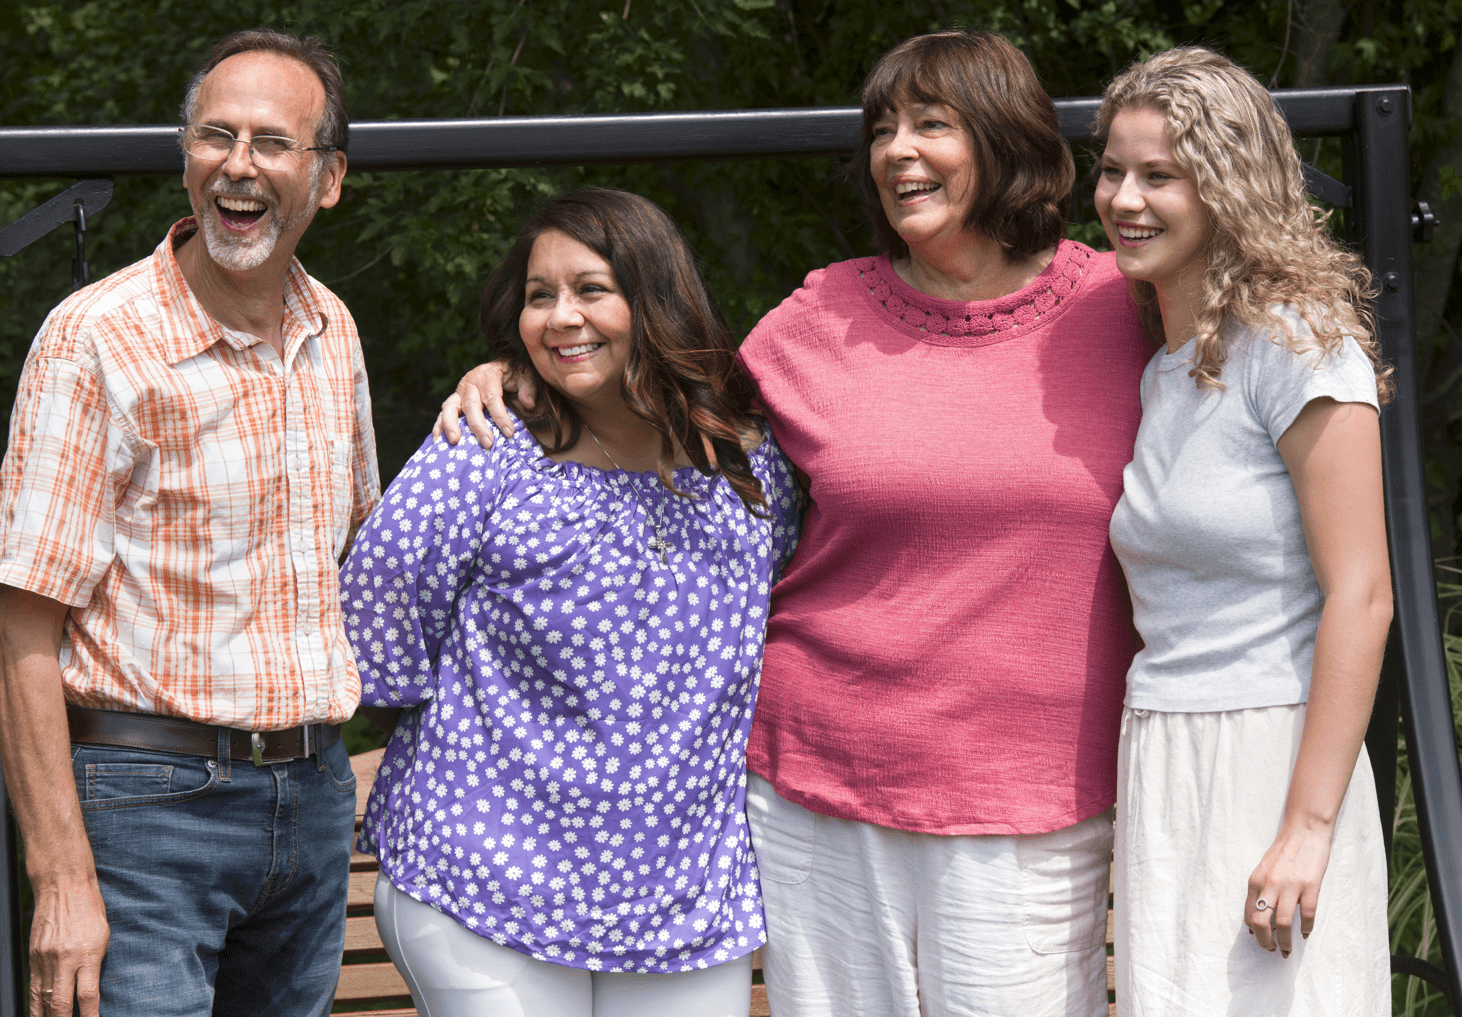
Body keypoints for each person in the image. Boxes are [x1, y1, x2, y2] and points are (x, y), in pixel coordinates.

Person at [439, 30, 1153, 1017]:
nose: (897, 150)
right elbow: (666, 408)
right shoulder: (824, 316)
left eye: (931, 125)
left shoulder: (1125, 308)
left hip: (1026, 799)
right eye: (882, 130)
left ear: (1007, 138)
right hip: (820, 782)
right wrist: (522, 372)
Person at [0, 29, 376, 1017]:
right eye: (216, 136)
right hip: (147, 807)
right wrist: (63, 880)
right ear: (185, 154)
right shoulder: (95, 339)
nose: (239, 166)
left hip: (315, 794)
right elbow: (22, 629)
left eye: (272, 143)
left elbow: (361, 559)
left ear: (326, 178)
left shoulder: (333, 330)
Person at [342, 188, 801, 1017]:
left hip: (680, 899)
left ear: (655, 300)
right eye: (538, 295)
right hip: (484, 880)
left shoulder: (750, 471)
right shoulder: (482, 449)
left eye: (591, 289)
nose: (560, 317)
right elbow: (377, 614)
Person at [1094, 47, 1393, 1015]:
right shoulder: (1164, 368)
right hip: (1163, 751)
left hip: (1271, 752)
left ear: (1227, 186)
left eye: (1160, 174)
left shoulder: (1299, 344)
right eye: (1112, 169)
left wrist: (1309, 826)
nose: (1124, 198)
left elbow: (1365, 593)